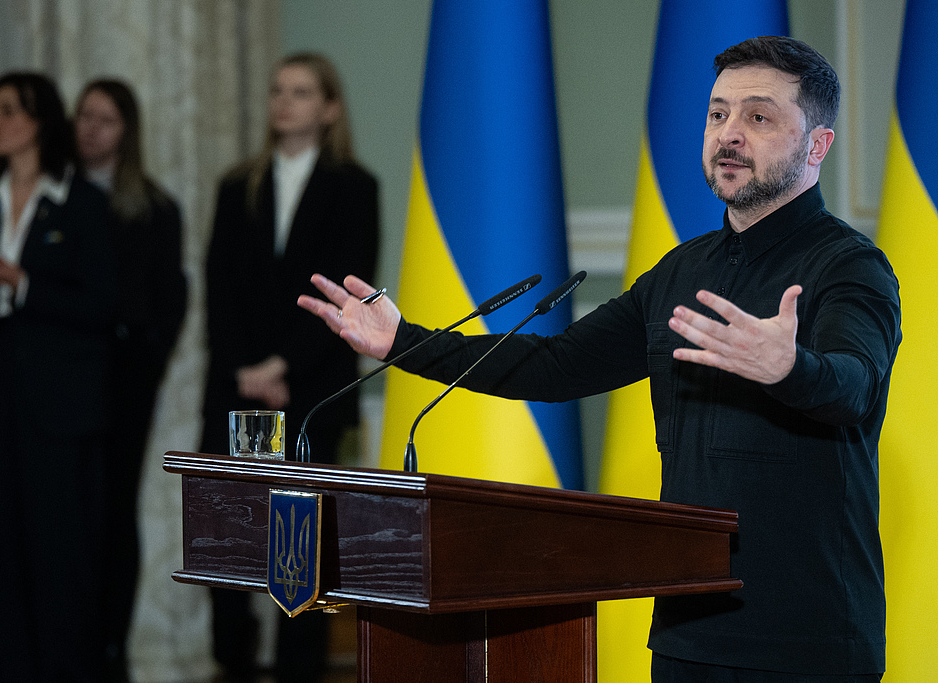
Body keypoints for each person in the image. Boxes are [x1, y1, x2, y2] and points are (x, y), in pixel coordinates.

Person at [298, 36, 899, 682]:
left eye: (758, 117)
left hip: (810, 641)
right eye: (718, 113)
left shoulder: (850, 267)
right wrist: (403, 342)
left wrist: (790, 367)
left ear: (817, 146)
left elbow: (854, 386)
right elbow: (556, 367)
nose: (729, 133)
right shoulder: (680, 271)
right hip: (690, 633)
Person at [200, 53, 379, 682]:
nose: (284, 102)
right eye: (277, 90)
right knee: (225, 539)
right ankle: (233, 664)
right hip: (235, 386)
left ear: (328, 108)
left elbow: (343, 292)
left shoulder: (355, 187)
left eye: (301, 92)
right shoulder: (236, 185)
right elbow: (218, 290)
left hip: (311, 390)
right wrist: (245, 369)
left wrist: (283, 365)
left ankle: (298, 671)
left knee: (298, 546)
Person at [0, 72, 117, 681]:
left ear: (39, 121)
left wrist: (20, 283)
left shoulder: (82, 202)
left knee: (59, 557)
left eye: (7, 110)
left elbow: (103, 306)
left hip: (60, 405)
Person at [74, 78, 188, 683]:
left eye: (105, 119)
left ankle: (112, 648)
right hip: (61, 383)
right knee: (67, 515)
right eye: (82, 116)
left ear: (127, 132)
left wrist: (146, 359)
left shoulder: (154, 207)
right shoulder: (54, 196)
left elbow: (171, 297)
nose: (88, 128)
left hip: (124, 384)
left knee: (115, 513)